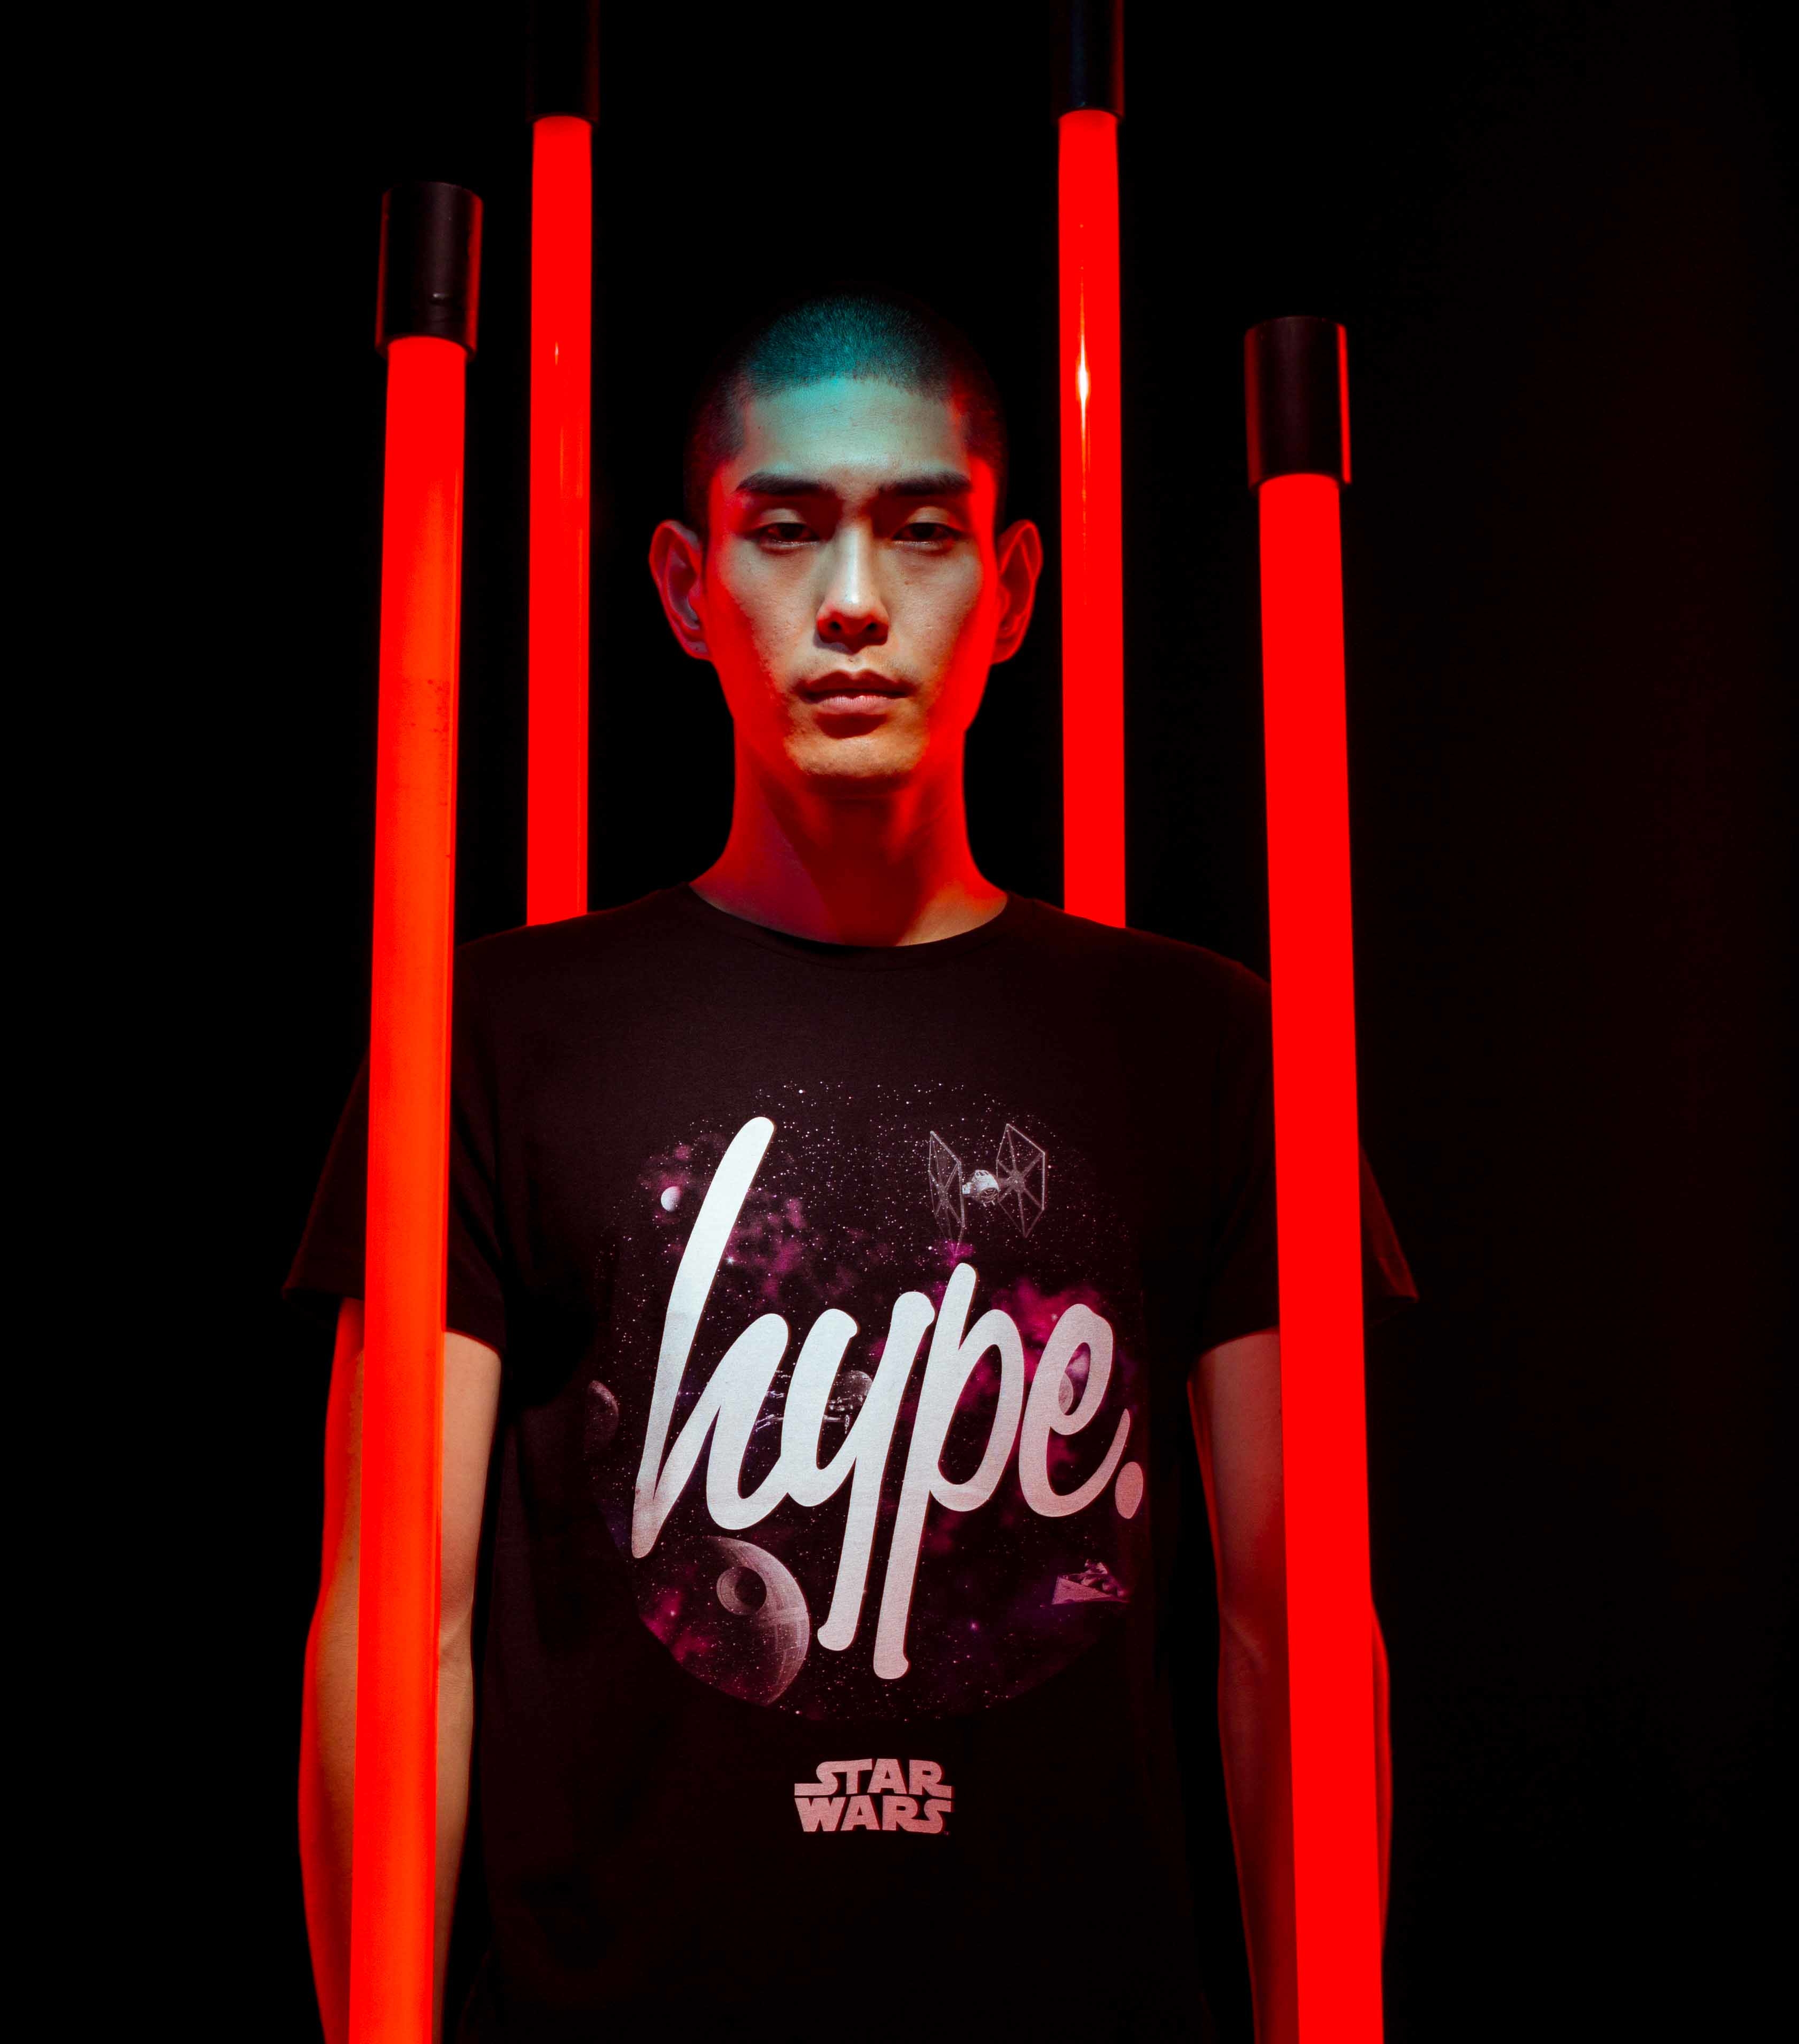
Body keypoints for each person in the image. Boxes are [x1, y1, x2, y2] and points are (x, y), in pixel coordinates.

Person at [288, 291, 1412, 2042]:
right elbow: (393, 1623)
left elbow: (1296, 1634)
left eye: (922, 531)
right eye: (788, 529)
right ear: (685, 586)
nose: (855, 602)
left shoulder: (1205, 1042)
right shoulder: (489, 1031)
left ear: (1016, 588)